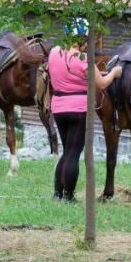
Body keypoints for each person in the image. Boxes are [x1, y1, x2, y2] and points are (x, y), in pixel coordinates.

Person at [46, 17, 121, 201]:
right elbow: (102, 84)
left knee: (66, 150)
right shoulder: (84, 60)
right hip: (78, 109)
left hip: (58, 107)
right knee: (74, 153)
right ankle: (69, 195)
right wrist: (114, 73)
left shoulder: (54, 52)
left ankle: (57, 193)